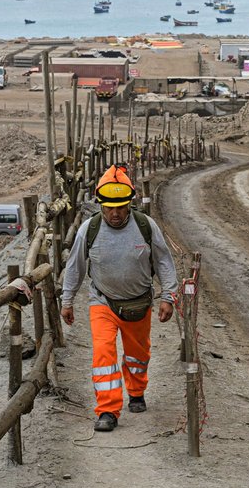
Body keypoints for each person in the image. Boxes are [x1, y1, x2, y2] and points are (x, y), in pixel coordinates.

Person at [61, 164, 178, 432]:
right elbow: (75, 267)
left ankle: (136, 392)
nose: (115, 214)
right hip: (103, 301)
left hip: (138, 303)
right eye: (109, 208)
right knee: (103, 354)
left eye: (121, 207)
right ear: (100, 205)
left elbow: (164, 262)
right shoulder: (88, 231)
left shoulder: (146, 227)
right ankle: (108, 410)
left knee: (138, 355)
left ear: (130, 204)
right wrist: (67, 301)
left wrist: (168, 297)